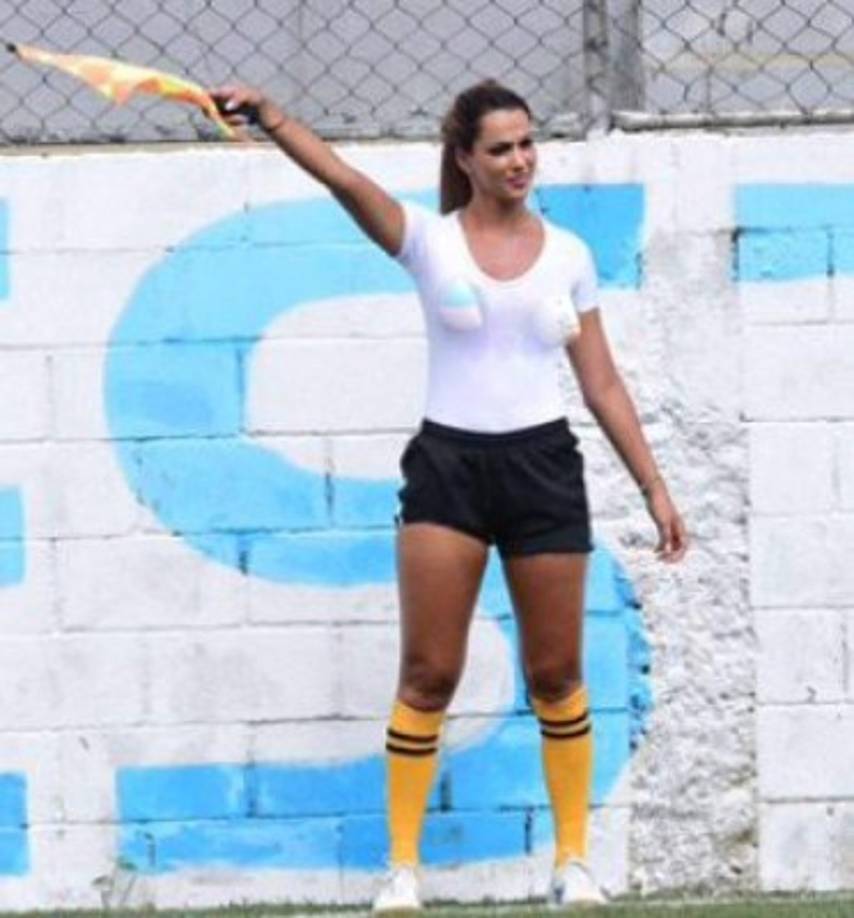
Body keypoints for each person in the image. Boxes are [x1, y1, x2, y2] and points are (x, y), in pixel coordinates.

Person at [212, 79, 688, 912]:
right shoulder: (431, 244)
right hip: (447, 470)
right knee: (429, 673)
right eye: (500, 147)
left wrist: (655, 488)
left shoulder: (570, 255)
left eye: (527, 143)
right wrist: (275, 116)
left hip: (543, 469)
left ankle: (573, 863)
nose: (519, 161)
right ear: (464, 156)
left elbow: (603, 381)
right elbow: (347, 184)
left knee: (556, 673)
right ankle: (401, 870)